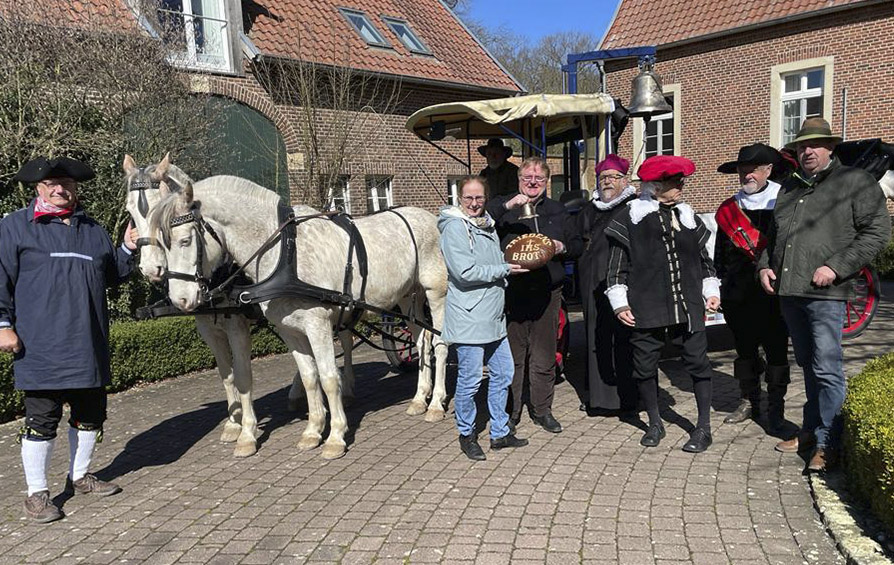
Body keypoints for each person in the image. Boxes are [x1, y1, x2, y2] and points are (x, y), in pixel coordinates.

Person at [0, 157, 137, 523]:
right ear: (38, 188)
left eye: (67, 183)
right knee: (41, 421)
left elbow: (111, 275)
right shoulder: (14, 227)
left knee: (90, 415)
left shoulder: (92, 229)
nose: (61, 189)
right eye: (52, 184)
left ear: (76, 188)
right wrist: (2, 324)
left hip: (88, 342)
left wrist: (126, 249)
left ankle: (79, 477)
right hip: (40, 345)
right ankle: (36, 494)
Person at [759, 118, 890, 471]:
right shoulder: (789, 187)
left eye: (815, 145)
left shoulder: (854, 182)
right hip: (790, 292)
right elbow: (773, 238)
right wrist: (764, 266)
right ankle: (811, 431)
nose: (807, 151)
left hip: (826, 294)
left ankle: (829, 441)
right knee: (809, 365)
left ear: (831, 147)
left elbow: (876, 233)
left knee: (827, 368)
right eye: (802, 146)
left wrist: (835, 266)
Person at [604, 155, 720, 453]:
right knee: (644, 366)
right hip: (647, 304)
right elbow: (616, 267)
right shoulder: (631, 217)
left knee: (698, 363)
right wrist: (620, 303)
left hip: (688, 304)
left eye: (681, 180)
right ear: (654, 186)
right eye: (674, 182)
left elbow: (704, 261)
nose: (681, 186)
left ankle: (703, 428)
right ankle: (655, 422)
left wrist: (711, 290)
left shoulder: (687, 215)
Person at [487, 156, 582, 434]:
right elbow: (480, 218)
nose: (532, 182)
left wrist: (561, 245)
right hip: (512, 293)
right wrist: (507, 205)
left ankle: (542, 410)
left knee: (543, 356)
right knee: (512, 358)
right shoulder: (505, 209)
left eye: (538, 179)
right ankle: (511, 412)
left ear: (546, 182)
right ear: (519, 180)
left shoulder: (557, 210)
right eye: (527, 177)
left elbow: (577, 245)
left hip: (547, 292)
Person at [438, 176, 529, 461]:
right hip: (469, 318)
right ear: (459, 199)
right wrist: (504, 269)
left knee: (503, 373)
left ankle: (500, 432)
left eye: (479, 198)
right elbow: (464, 273)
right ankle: (467, 434)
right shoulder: (454, 228)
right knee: (470, 380)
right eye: (468, 198)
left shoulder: (486, 225)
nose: (474, 203)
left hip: (493, 316)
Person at [714, 144, 790, 432]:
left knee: (776, 351)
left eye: (753, 169)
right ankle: (748, 400)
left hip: (773, 292)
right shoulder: (729, 209)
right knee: (744, 350)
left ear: (768, 170)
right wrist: (719, 285)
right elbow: (720, 253)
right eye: (743, 169)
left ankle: (777, 407)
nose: (747, 174)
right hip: (738, 293)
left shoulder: (783, 201)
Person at [577, 154, 638, 414]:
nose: (608, 182)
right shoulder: (589, 209)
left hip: (625, 284)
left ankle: (629, 398)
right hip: (592, 283)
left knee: (625, 340)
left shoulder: (635, 207)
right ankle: (601, 399)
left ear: (625, 180)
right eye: (603, 178)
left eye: (614, 177)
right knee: (596, 338)